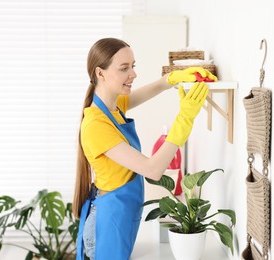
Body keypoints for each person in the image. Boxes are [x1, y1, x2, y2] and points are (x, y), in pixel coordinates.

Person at [72, 38, 216, 260]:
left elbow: (150, 90)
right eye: (124, 68)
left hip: (120, 214)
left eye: (133, 66)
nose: (133, 74)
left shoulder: (113, 106)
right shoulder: (95, 125)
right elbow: (152, 170)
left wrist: (173, 78)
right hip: (107, 223)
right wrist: (185, 118)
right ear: (100, 73)